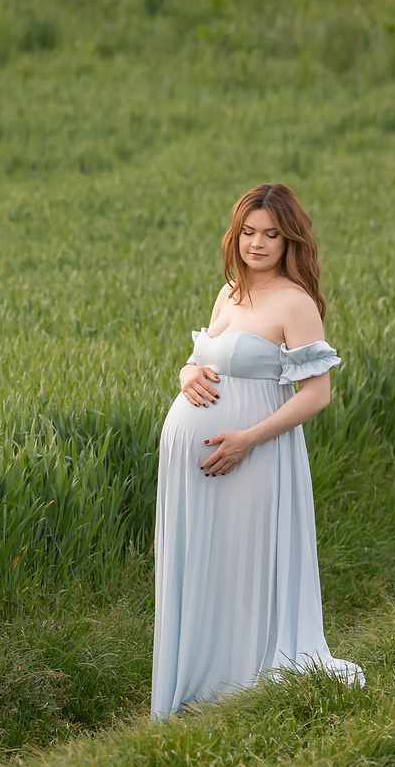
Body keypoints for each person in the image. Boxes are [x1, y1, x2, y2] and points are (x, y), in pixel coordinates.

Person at [151, 182, 364, 718]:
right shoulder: (229, 291)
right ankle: (194, 684)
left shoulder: (295, 303)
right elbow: (207, 359)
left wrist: (248, 438)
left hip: (255, 457)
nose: (257, 244)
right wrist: (185, 373)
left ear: (290, 239)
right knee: (203, 564)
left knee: (243, 565)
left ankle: (237, 685)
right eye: (248, 232)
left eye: (271, 234)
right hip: (195, 469)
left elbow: (317, 394)